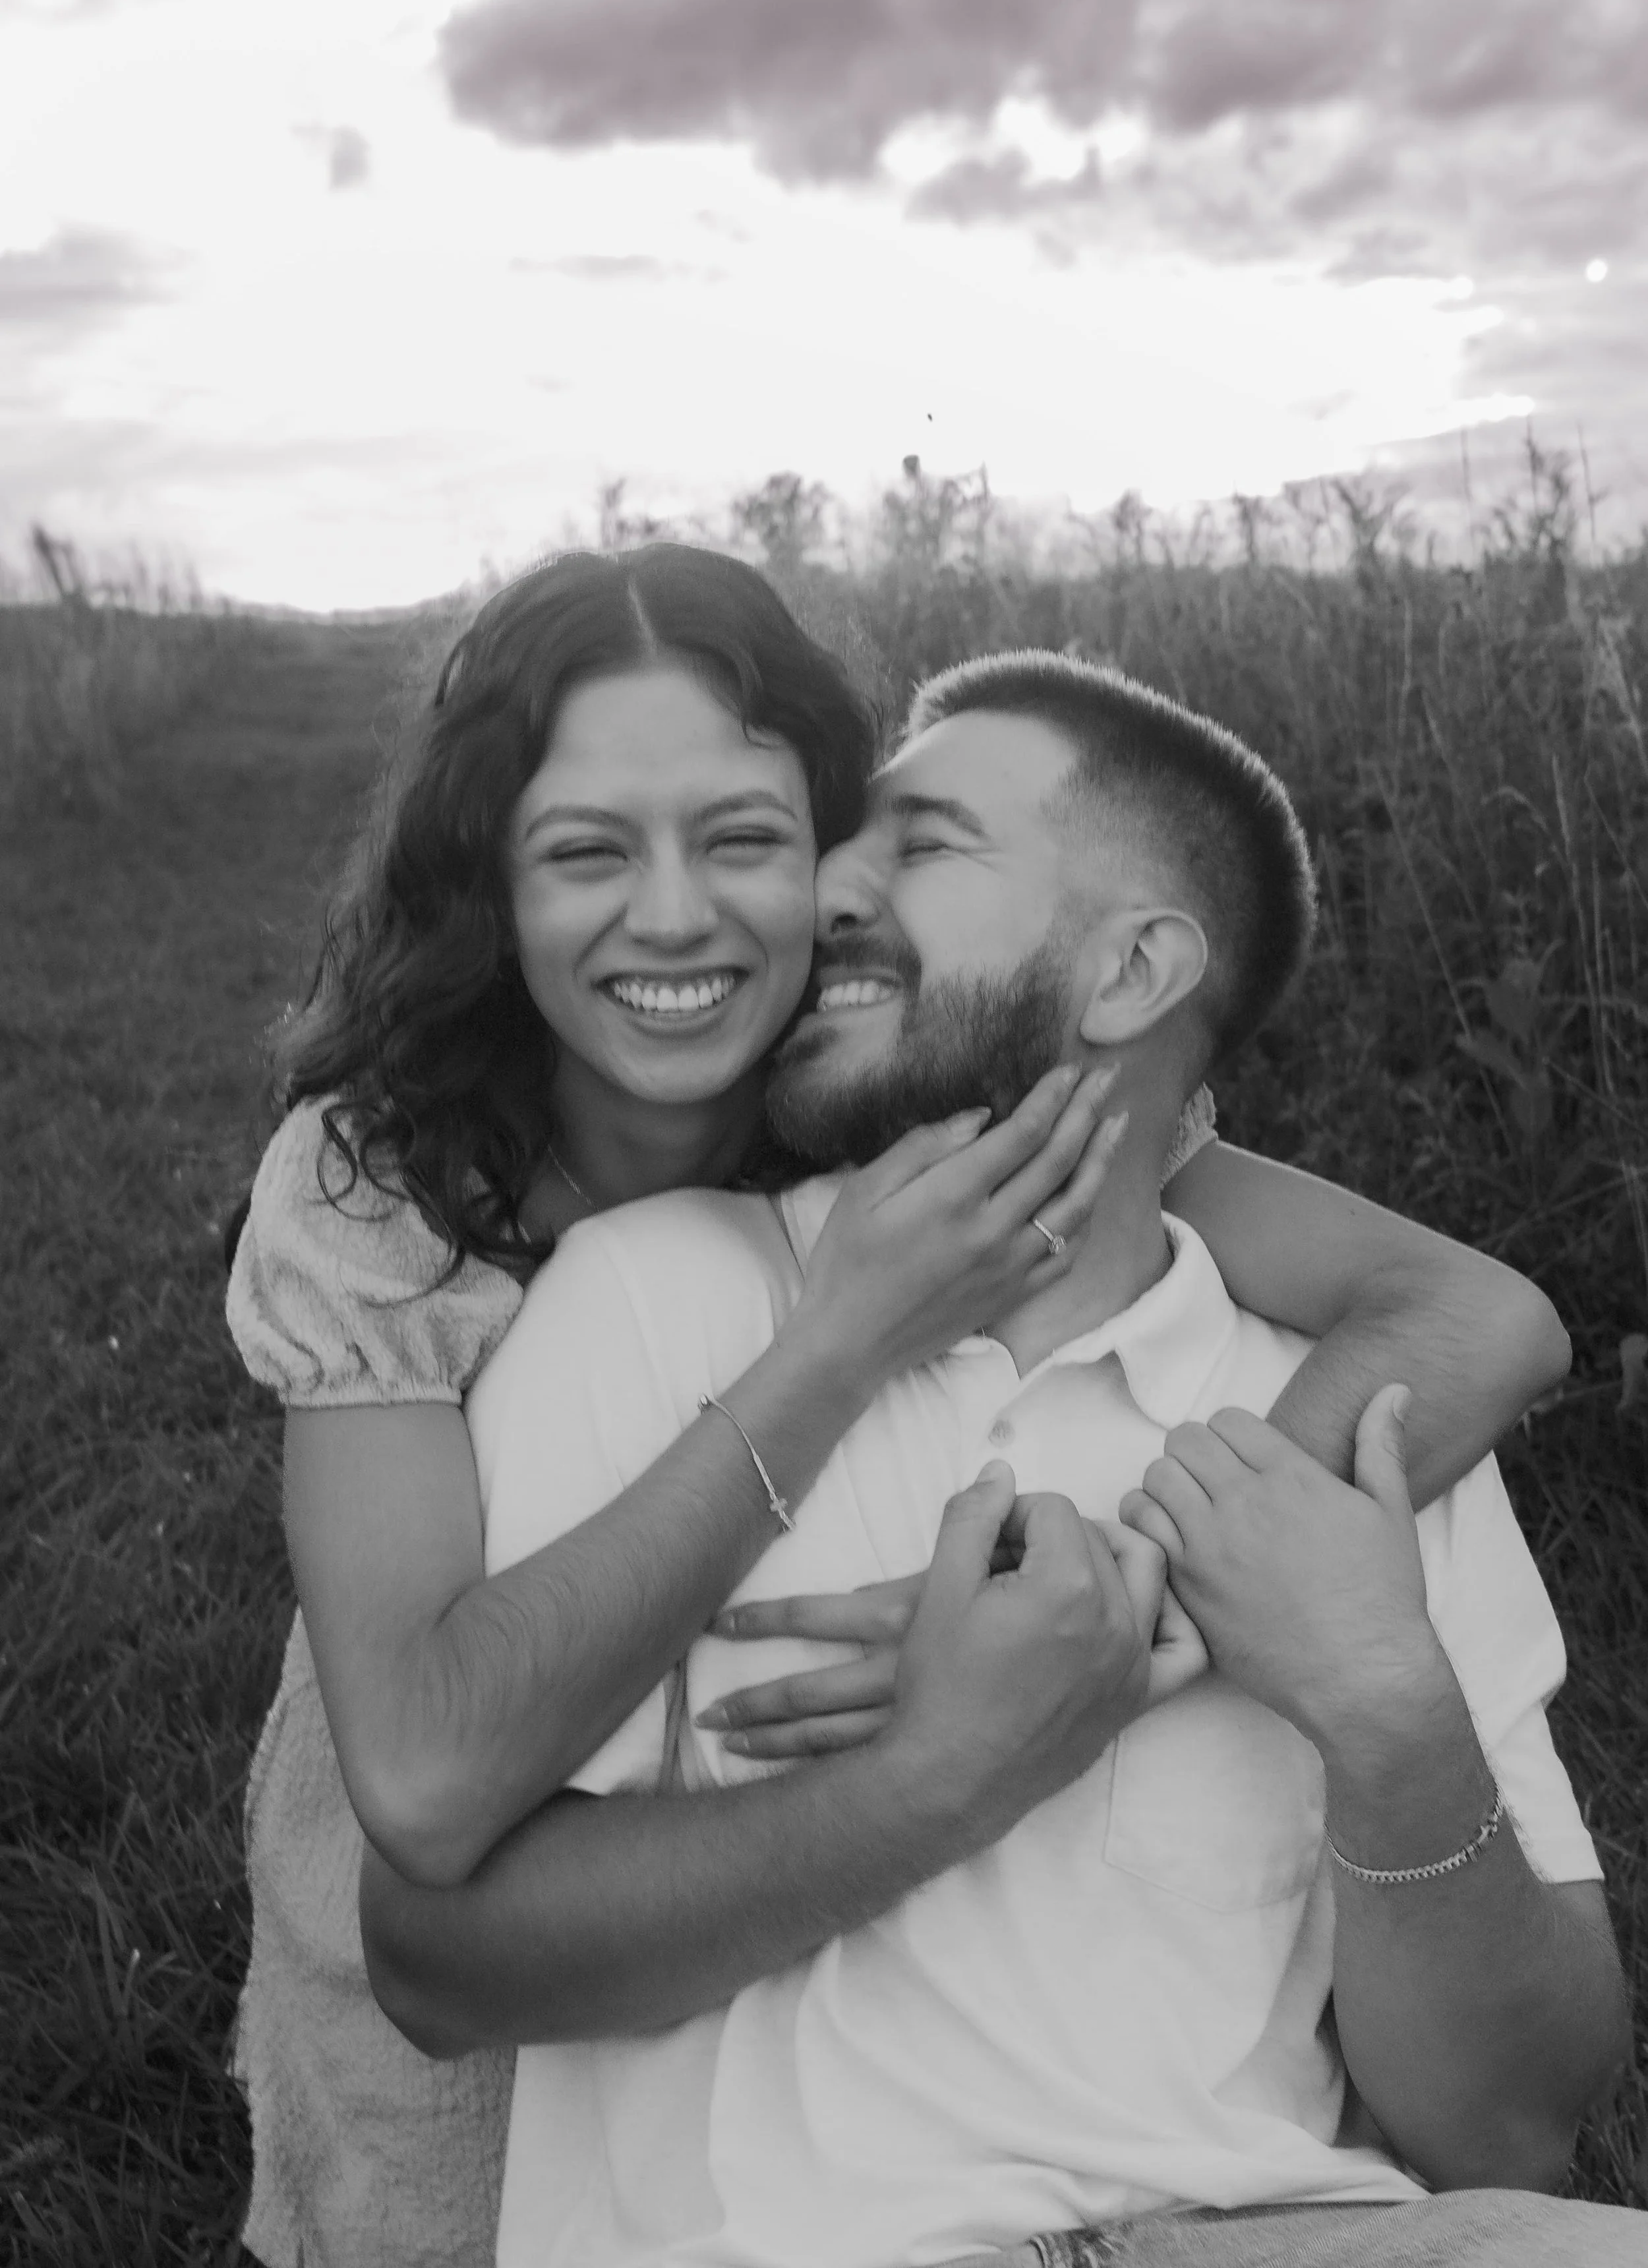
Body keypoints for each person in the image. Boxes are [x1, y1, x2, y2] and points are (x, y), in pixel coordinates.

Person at [227, 551, 1570, 2268]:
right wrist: (843, 1340)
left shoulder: (906, 1077)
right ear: (491, 880)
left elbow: (1478, 1312)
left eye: (748, 839)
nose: (675, 917)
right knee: (414, 2186)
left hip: (756, 1909)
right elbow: (421, 1782)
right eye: (584, 850)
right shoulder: (390, 1189)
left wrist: (1138, 1587)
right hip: (426, 1675)